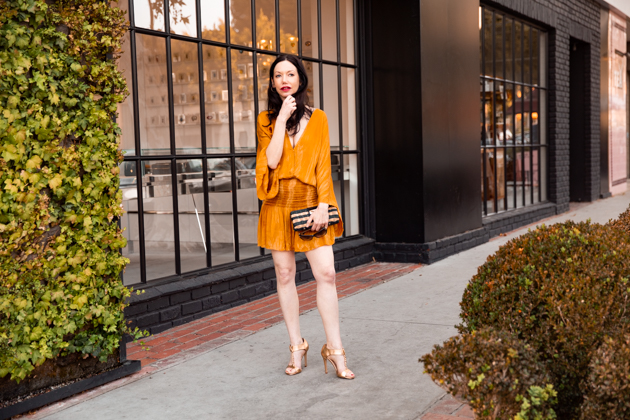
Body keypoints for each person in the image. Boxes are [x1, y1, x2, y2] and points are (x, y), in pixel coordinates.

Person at [256, 54, 355, 380]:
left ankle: (335, 348)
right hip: (278, 204)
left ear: (300, 80)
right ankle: (296, 346)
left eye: (291, 74)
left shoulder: (319, 118)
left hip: (312, 202)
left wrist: (326, 205)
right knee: (285, 275)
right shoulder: (266, 120)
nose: (285, 79)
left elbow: (323, 167)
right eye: (278, 75)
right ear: (272, 83)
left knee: (326, 273)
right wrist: (282, 119)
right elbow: (271, 162)